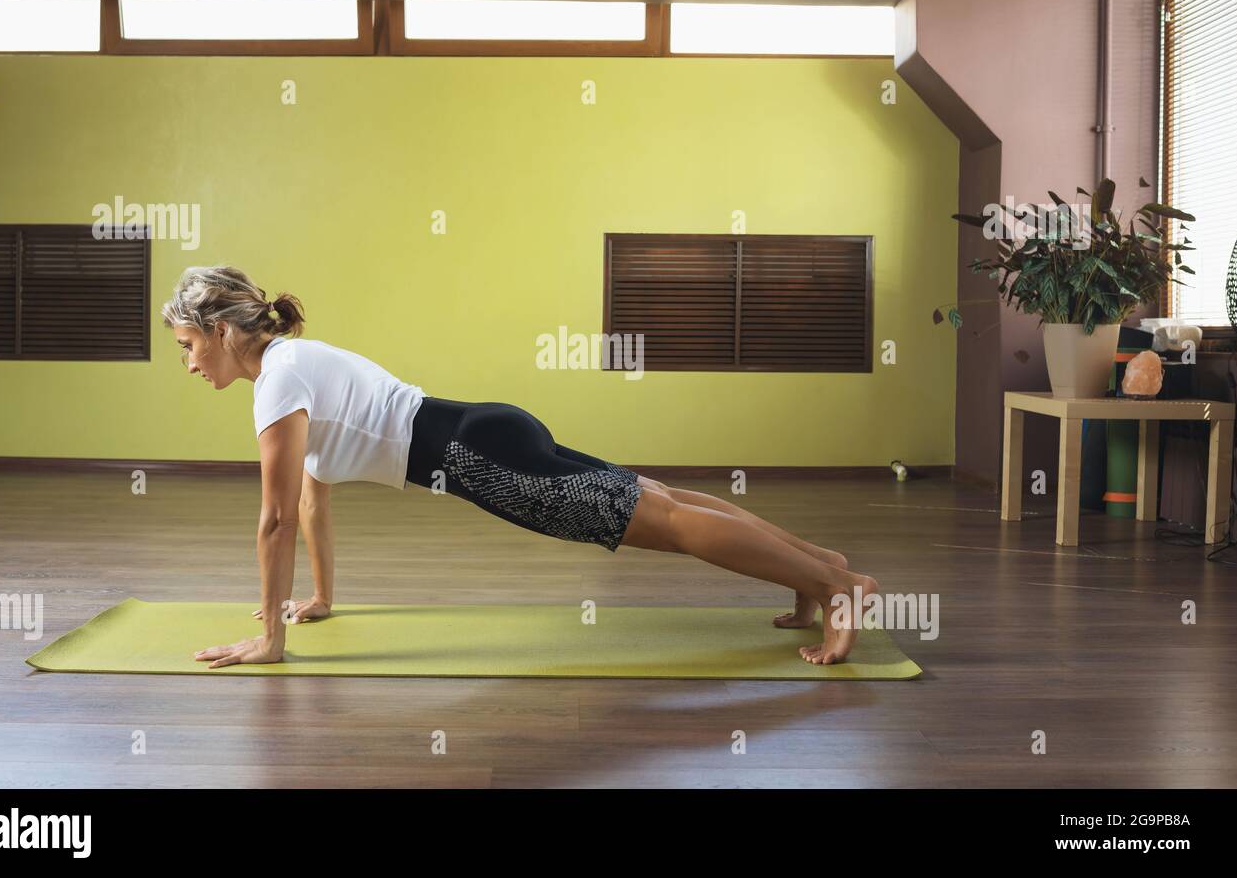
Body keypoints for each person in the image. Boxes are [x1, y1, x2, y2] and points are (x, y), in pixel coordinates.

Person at [160, 266, 879, 670]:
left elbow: (276, 518)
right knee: (657, 496)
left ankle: (835, 587)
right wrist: (315, 599)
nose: (190, 363)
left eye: (190, 345)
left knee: (660, 523)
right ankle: (820, 567)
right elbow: (311, 501)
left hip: (478, 459)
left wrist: (270, 643)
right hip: (485, 430)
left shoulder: (280, 381)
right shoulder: (291, 365)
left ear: (223, 333)